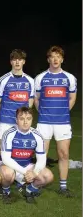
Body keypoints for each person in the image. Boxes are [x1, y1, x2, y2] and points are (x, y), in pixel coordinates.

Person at [34, 46, 77, 197]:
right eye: (52, 56)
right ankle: (38, 183)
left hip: (63, 122)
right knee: (42, 154)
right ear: (48, 59)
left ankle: (63, 186)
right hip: (44, 122)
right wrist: (44, 113)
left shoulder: (69, 78)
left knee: (63, 154)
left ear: (62, 59)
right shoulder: (40, 78)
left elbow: (72, 98)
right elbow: (36, 100)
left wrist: (63, 112)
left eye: (58, 56)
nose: (55, 59)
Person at [0, 107, 54, 204]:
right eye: (22, 119)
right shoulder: (9, 134)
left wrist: (35, 173)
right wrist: (25, 172)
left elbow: (42, 159)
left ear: (32, 120)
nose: (25, 122)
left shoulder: (37, 135)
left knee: (48, 176)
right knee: (7, 174)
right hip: (8, 165)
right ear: (16, 120)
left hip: (26, 165)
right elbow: (6, 159)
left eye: (28, 118)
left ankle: (29, 190)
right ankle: (5, 191)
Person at [0, 49, 35, 159]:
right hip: (6, 122)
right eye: (15, 59)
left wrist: (23, 118)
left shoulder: (30, 81)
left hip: (22, 123)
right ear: (11, 62)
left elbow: (30, 101)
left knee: (19, 149)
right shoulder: (3, 80)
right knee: (2, 150)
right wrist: (4, 116)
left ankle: (18, 175)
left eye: (20, 60)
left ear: (24, 62)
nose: (17, 62)